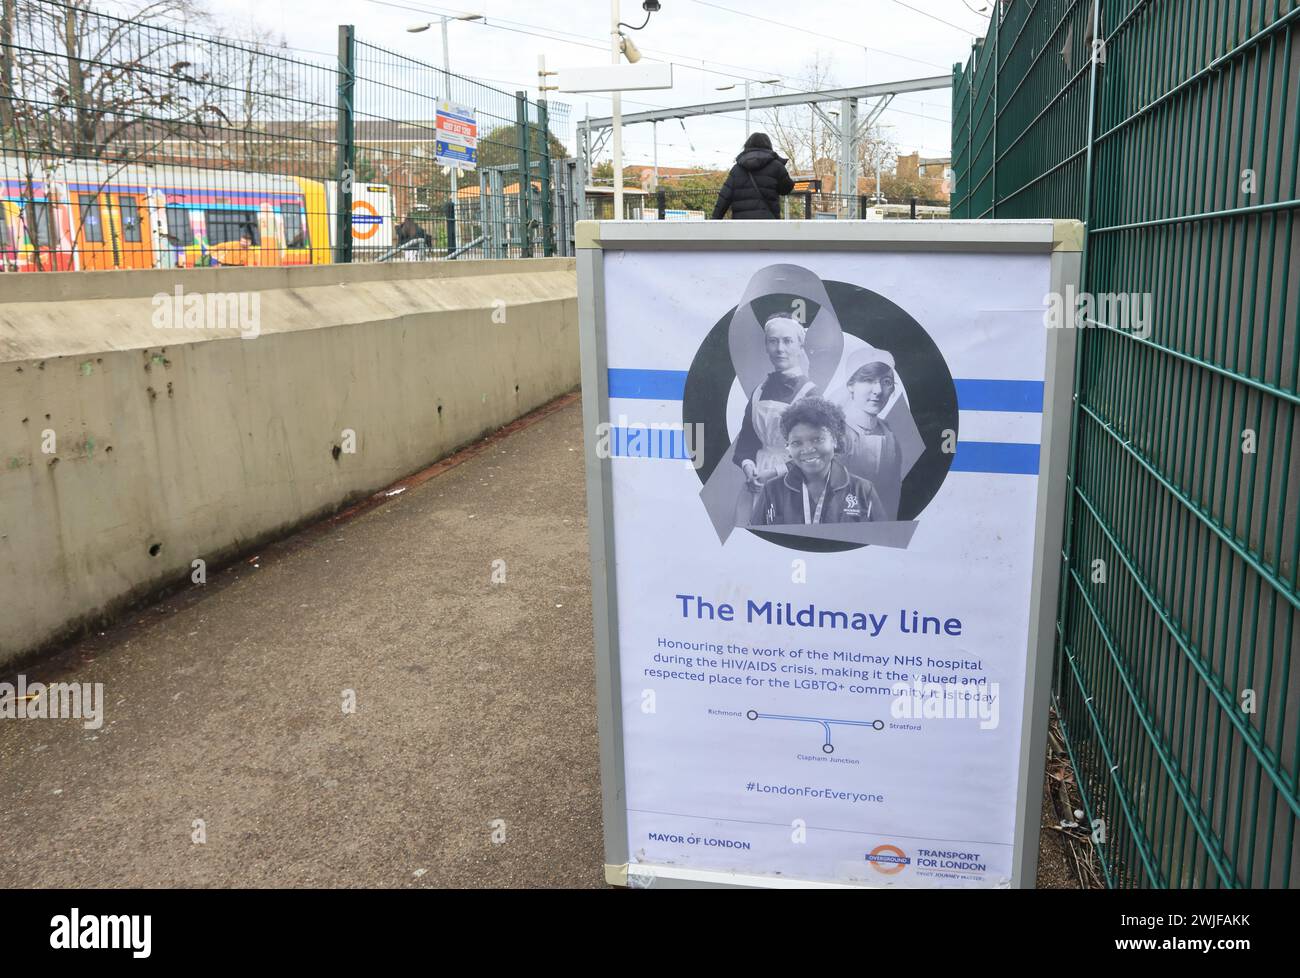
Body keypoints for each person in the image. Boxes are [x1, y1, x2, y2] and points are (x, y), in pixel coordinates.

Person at [751, 397, 886, 526]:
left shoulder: (862, 490)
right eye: (797, 442)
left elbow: (882, 541)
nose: (807, 449)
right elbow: (755, 542)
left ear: (835, 440)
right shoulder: (772, 491)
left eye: (817, 440)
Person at [733, 312, 820, 495]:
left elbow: (816, 453)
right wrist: (749, 469)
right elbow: (747, 443)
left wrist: (774, 473)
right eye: (773, 341)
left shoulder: (810, 394)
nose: (780, 348)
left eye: (788, 341)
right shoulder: (759, 392)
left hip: (795, 482)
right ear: (766, 346)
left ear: (800, 345)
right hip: (757, 481)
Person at [840, 359, 903, 520]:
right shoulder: (832, 431)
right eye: (868, 380)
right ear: (850, 385)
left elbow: (892, 497)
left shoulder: (890, 437)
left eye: (886, 382)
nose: (878, 390)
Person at [711, 132, 795, 220]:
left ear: (747, 145)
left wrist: (715, 219)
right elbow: (786, 189)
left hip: (741, 224)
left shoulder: (736, 169)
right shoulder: (776, 166)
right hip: (768, 223)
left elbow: (724, 197)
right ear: (768, 146)